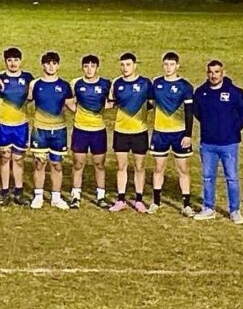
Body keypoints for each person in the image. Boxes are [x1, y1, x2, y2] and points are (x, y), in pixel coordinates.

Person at [193, 60, 243, 223]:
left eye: (217, 72)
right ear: (207, 73)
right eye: (210, 72)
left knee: (231, 177)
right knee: (208, 177)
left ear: (222, 72)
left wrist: (234, 128)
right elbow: (197, 113)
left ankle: (234, 210)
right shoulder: (201, 92)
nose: (213, 75)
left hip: (229, 143)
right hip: (208, 143)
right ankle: (208, 207)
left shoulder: (235, 92)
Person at [149, 51, 194, 216]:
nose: (169, 68)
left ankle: (186, 205)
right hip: (160, 132)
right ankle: (156, 202)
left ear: (177, 66)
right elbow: (150, 103)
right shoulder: (156, 83)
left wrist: (188, 135)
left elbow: (189, 112)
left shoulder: (185, 86)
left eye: (172, 64)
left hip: (179, 134)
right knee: (158, 167)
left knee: (183, 169)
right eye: (166, 64)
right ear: (163, 66)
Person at [27, 51, 72, 211]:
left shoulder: (65, 86)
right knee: (39, 163)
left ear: (58, 65)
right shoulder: (35, 84)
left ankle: (56, 197)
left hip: (59, 131)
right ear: (43, 65)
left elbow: (72, 106)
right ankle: (38, 196)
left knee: (57, 164)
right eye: (47, 63)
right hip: (40, 130)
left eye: (54, 63)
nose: (51, 66)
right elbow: (25, 101)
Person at [109, 52, 151, 213]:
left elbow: (152, 103)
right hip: (121, 131)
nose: (125, 68)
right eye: (122, 65)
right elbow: (111, 103)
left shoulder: (145, 83)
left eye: (128, 64)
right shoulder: (116, 83)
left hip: (139, 131)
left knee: (139, 166)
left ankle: (138, 199)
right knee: (122, 166)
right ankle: (121, 200)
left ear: (135, 65)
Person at [69, 55, 112, 209]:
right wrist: (79, 113)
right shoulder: (75, 83)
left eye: (92, 66)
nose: (89, 69)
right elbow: (69, 101)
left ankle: (101, 196)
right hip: (80, 130)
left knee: (99, 164)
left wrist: (97, 111)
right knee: (78, 163)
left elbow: (112, 101)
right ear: (82, 67)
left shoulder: (106, 84)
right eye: (86, 66)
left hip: (98, 131)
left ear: (97, 68)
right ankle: (75, 196)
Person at [0, 47, 33, 205]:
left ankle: (18, 191)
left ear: (20, 61)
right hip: (3, 125)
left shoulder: (28, 78)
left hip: (20, 125)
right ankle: (4, 191)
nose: (13, 63)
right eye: (9, 60)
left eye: (16, 60)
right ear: (5, 62)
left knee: (18, 159)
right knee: (4, 158)